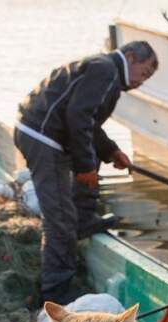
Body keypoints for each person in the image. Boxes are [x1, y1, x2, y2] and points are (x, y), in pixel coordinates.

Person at [14, 41, 158, 304]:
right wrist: (85, 167)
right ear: (129, 57)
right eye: (144, 73)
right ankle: (56, 293)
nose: (142, 81)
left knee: (88, 157)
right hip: (42, 138)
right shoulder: (105, 71)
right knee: (59, 218)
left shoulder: (104, 69)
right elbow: (78, 118)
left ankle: (83, 217)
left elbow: (88, 123)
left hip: (46, 133)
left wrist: (111, 151)